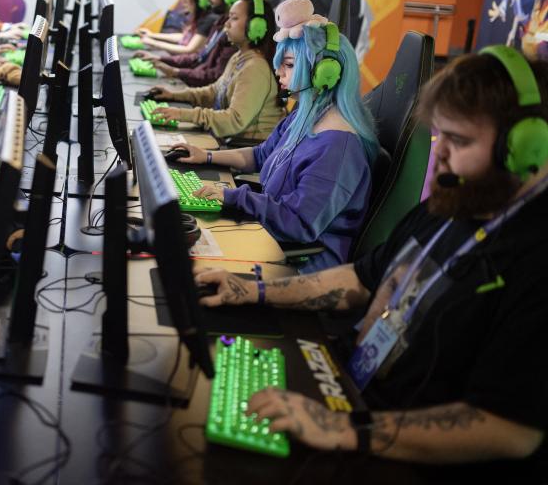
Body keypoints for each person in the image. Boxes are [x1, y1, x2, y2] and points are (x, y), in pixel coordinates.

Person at [193, 47, 548, 471]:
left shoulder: (535, 258)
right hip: (356, 392)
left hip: (411, 456)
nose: (442, 156)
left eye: (459, 141)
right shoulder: (456, 202)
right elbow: (362, 278)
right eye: (441, 137)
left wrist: (339, 429)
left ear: (526, 148)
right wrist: (253, 290)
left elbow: (509, 430)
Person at [174, 0, 378, 271]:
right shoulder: (305, 115)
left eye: (290, 65)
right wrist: (207, 156)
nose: (278, 72)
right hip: (270, 235)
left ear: (324, 73)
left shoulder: (337, 147)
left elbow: (300, 224)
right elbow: (261, 155)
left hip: (302, 262)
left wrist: (233, 196)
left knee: (188, 265)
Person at [148, 0, 282, 141]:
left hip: (247, 148)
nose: (227, 23)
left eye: (234, 18)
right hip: (232, 142)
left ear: (256, 26)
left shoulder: (255, 68)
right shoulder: (239, 58)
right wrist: (174, 95)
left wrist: (182, 114)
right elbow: (214, 92)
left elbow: (234, 120)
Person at [134, 0, 239, 87]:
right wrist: (161, 59)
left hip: (202, 89)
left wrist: (175, 72)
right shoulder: (219, 22)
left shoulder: (229, 31)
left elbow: (213, 75)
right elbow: (198, 58)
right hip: (195, 82)